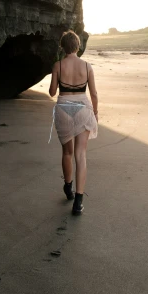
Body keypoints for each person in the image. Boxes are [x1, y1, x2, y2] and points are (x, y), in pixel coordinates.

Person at [49, 30, 98, 215]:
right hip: (83, 108)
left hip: (63, 108)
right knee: (81, 154)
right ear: (78, 46)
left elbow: (53, 92)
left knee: (67, 152)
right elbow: (93, 93)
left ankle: (68, 187)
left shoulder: (58, 65)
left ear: (63, 46)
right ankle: (78, 202)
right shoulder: (86, 66)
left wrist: (57, 80)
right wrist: (96, 112)